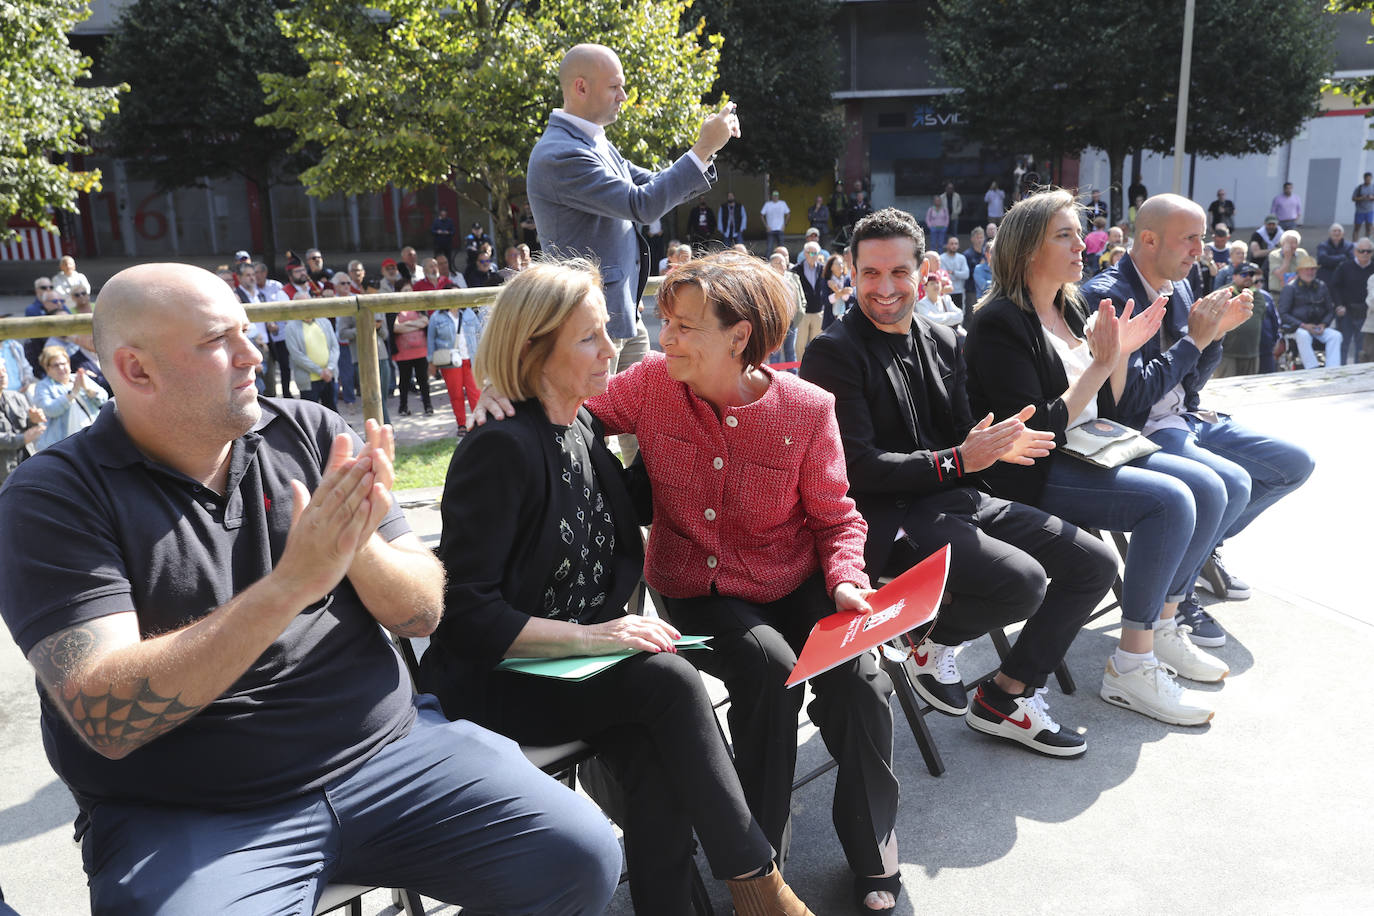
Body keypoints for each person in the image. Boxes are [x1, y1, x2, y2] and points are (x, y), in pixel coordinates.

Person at [0, 263, 621, 915]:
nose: (251, 354)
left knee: (579, 856)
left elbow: (424, 609)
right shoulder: (52, 499)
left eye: (248, 329)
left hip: (389, 759)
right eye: (219, 342)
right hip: (191, 817)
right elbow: (107, 715)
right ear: (135, 371)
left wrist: (358, 552)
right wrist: (290, 586)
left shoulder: (308, 432)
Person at [476, 252, 903, 913]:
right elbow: (567, 408)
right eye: (665, 320)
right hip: (699, 589)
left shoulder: (807, 409)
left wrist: (848, 581)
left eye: (683, 326)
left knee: (861, 679)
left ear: (739, 338)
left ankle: (873, 849)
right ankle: (762, 869)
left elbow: (837, 519)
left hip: (795, 579)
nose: (663, 336)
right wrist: (503, 391)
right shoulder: (651, 384)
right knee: (768, 670)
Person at [419, 261, 811, 916]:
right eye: (589, 339)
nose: (614, 350)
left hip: (578, 668)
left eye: (608, 332)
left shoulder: (576, 428)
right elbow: (463, 615)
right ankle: (759, 885)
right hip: (500, 678)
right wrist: (595, 636)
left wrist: (720, 407)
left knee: (656, 754)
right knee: (670, 680)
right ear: (533, 349)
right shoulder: (501, 448)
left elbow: (639, 494)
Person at [800, 207, 1118, 754]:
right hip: (889, 521)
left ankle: (1006, 696)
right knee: (1024, 582)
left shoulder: (944, 339)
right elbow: (858, 469)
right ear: (849, 270)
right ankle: (925, 636)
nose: (883, 288)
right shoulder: (832, 352)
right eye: (870, 273)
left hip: (960, 501)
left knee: (1094, 564)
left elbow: (967, 436)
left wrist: (998, 446)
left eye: (898, 272)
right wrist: (961, 460)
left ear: (923, 271)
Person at [966, 190, 1266, 725]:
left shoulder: (1072, 303)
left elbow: (1114, 407)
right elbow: (1034, 428)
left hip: (1093, 446)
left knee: (1214, 487)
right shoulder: (999, 322)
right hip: (1034, 468)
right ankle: (1132, 663)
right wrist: (1105, 364)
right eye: (1065, 234)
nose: (1083, 243)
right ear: (1028, 248)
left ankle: (1161, 625)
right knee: (1171, 502)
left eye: (1079, 233)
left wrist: (1121, 356)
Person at [1083, 193, 1314, 634]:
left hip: (1187, 417)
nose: (1200, 250)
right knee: (1230, 483)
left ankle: (1200, 546)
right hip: (1138, 430)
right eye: (1190, 239)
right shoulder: (1108, 296)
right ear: (1149, 240)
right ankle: (1177, 595)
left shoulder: (1182, 285)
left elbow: (1192, 384)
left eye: (1202, 239)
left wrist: (1215, 336)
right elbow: (1131, 401)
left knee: (1295, 463)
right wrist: (1196, 341)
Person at [526, 42, 739, 411]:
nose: (624, 96)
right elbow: (643, 205)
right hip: (587, 325)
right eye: (615, 87)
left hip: (622, 314)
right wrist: (702, 148)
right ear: (581, 87)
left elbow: (653, 184)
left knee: (647, 428)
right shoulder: (560, 154)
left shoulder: (593, 141)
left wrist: (705, 151)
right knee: (594, 431)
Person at [31, 345, 108, 452]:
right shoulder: (43, 386)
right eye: (56, 365)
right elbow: (49, 410)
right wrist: (72, 393)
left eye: (64, 363)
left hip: (92, 438)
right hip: (63, 446)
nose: (61, 368)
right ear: (47, 368)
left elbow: (103, 398)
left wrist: (87, 388)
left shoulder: (79, 378)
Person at [1278, 254, 1342, 369]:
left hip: (1318, 327)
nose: (1310, 272)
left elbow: (1330, 310)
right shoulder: (1290, 288)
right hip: (1296, 328)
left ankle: (1333, 368)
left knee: (1336, 336)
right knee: (1303, 335)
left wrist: (1324, 324)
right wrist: (1303, 325)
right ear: (1299, 271)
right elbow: (1283, 314)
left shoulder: (1321, 286)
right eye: (1307, 269)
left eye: (1313, 269)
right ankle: (1312, 368)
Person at [0, 358, 44, 485]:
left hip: (28, 465)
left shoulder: (17, 397)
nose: (2, 375)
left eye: (3, 370)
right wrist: (22, 438)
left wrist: (33, 420)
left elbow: (30, 429)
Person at [284, 313, 340, 410]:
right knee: (310, 415)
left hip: (329, 376)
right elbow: (296, 355)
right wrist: (320, 371)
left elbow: (335, 347)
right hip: (308, 382)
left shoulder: (325, 322)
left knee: (332, 411)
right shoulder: (290, 327)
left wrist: (330, 368)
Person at [1332, 238, 1374, 364]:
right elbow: (1335, 286)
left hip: (1366, 313)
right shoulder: (1345, 266)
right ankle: (1340, 372)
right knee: (1343, 344)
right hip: (1346, 311)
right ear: (1355, 252)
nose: (1365, 254)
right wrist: (1339, 305)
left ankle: (1357, 375)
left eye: (1368, 251)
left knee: (1361, 348)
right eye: (1361, 251)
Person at [391, 307, 432, 416]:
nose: (408, 291)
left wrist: (405, 325)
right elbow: (395, 328)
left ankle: (428, 406)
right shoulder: (395, 310)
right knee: (404, 382)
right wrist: (416, 324)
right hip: (402, 353)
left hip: (421, 351)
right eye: (405, 289)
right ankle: (403, 407)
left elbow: (425, 322)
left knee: (423, 380)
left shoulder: (419, 308)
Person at [793, 241, 828, 356]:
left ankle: (814, 369)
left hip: (818, 312)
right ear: (805, 253)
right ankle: (800, 370)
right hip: (803, 313)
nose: (814, 256)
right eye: (811, 253)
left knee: (817, 344)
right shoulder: (796, 270)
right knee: (800, 345)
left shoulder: (823, 269)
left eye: (816, 253)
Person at [1267, 230, 1306, 295]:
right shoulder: (1274, 255)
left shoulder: (1302, 253)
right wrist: (1287, 257)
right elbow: (1281, 275)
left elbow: (1307, 274)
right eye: (1290, 243)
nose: (1293, 246)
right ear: (1282, 243)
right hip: (1279, 293)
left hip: (1299, 293)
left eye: (1295, 243)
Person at [1316, 223, 1352, 288]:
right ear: (1330, 233)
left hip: (1344, 276)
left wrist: (1329, 259)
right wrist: (1342, 257)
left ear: (1343, 233)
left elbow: (1351, 261)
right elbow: (1322, 260)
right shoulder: (1322, 246)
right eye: (1334, 231)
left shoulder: (1349, 246)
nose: (1337, 233)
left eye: (1339, 231)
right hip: (1326, 276)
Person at [824, 252, 854, 329]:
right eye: (837, 264)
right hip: (830, 320)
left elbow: (853, 299)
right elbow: (825, 301)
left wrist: (840, 293)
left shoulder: (847, 279)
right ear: (831, 267)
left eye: (841, 263)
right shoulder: (826, 281)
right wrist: (842, 292)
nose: (840, 266)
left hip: (846, 319)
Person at [1354, 172, 1374, 240]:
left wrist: (1372, 197)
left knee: (1368, 229)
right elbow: (1353, 198)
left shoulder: (1373, 187)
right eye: (1366, 179)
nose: (1368, 180)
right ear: (1364, 178)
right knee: (1357, 229)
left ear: (1371, 179)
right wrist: (1362, 198)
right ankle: (1354, 245)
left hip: (1369, 211)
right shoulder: (1359, 188)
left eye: (1369, 179)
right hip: (1360, 211)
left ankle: (1366, 244)